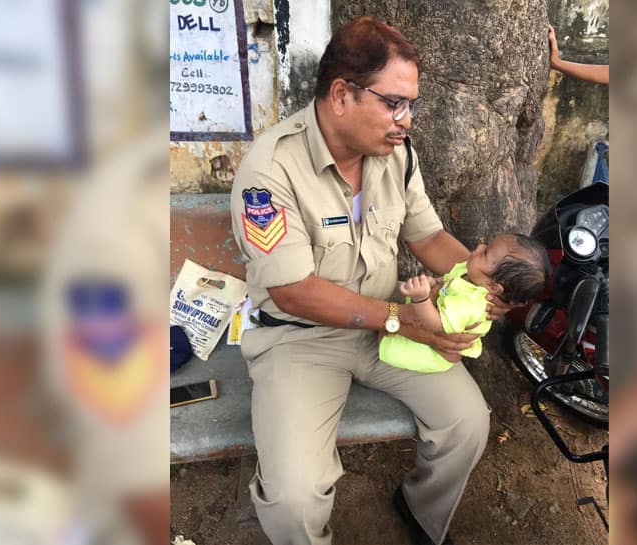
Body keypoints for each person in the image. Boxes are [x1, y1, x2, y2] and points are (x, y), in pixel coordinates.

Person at [229, 16, 512, 545]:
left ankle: (421, 512)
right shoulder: (270, 171)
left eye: (412, 105)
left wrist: (477, 279)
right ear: (342, 94)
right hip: (300, 338)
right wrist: (400, 319)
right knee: (294, 497)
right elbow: (293, 290)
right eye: (394, 103)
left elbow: (427, 237)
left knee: (467, 423)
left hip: (388, 331)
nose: (406, 120)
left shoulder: (396, 156)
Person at [381, 234, 547, 373]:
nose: (480, 246)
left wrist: (421, 299)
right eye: (486, 246)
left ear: (493, 287)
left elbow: (437, 326)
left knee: (388, 349)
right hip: (428, 313)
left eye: (485, 253)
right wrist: (435, 282)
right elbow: (449, 279)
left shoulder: (470, 303)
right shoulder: (469, 272)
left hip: (437, 352)